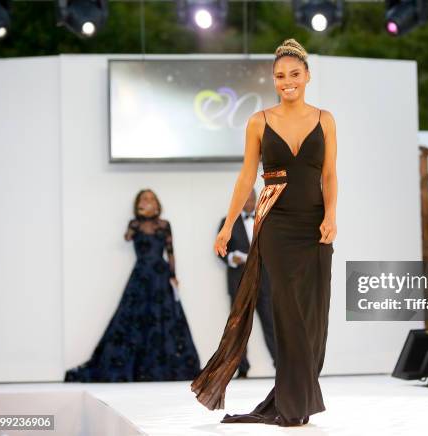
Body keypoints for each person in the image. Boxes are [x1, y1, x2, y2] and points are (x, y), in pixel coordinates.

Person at [191, 38, 337, 427]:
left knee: (314, 316)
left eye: (294, 74)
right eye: (279, 76)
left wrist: (332, 215)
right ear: (273, 80)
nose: (287, 81)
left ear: (307, 76)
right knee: (287, 312)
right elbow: (245, 178)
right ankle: (292, 404)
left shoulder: (325, 119)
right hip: (274, 224)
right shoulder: (259, 121)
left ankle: (299, 395)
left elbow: (329, 174)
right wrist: (227, 224)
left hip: (315, 226)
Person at [65, 189, 201, 382]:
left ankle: (163, 366)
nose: (148, 201)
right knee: (133, 317)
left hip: (160, 276)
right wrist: (140, 216)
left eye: (151, 198)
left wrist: (173, 276)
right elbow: (127, 237)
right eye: (144, 199)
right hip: (141, 274)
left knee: (164, 318)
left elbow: (170, 252)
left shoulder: (164, 224)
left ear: (157, 202)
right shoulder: (135, 224)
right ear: (138, 202)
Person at [217, 189, 277, 378]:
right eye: (245, 199)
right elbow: (219, 249)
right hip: (238, 282)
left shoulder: (266, 219)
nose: (249, 202)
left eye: (252, 199)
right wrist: (231, 257)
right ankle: (241, 368)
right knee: (238, 327)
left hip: (264, 282)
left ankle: (281, 365)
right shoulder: (227, 221)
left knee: (271, 324)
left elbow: (276, 248)